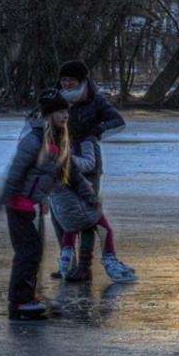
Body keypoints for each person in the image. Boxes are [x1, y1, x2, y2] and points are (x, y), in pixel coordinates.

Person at [0, 91, 81, 320]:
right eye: (61, 111)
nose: (65, 115)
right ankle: (19, 301)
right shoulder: (34, 139)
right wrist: (4, 198)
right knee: (28, 252)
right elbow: (17, 171)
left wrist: (41, 201)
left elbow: (45, 177)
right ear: (49, 114)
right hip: (17, 205)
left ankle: (26, 297)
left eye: (67, 111)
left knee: (32, 252)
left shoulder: (56, 139)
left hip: (27, 205)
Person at [52, 59, 136, 284]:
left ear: (81, 81)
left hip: (89, 163)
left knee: (88, 214)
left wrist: (95, 132)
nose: (66, 83)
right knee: (61, 212)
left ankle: (84, 266)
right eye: (63, 79)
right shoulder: (55, 98)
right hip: (61, 160)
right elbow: (37, 119)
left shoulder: (95, 101)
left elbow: (117, 122)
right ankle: (67, 261)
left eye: (71, 80)